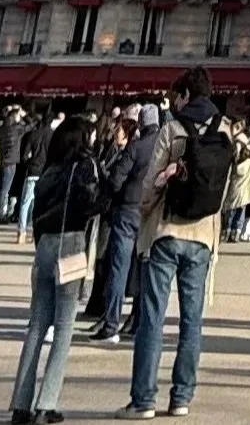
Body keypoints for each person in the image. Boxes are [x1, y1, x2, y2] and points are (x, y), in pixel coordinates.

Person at [126, 75, 230, 420]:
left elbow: (149, 185)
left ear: (185, 95)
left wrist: (144, 209)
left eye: (177, 96)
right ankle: (182, 397)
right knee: (191, 322)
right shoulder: (226, 130)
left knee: (152, 319)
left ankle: (143, 400)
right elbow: (225, 190)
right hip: (202, 236)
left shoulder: (172, 129)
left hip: (167, 230)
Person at [11, 115, 99, 425]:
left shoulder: (49, 169)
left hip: (45, 243)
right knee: (63, 327)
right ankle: (46, 403)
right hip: (71, 241)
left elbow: (37, 210)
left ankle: (20, 403)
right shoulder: (84, 166)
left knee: (36, 325)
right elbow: (87, 203)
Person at [92, 108, 161, 344]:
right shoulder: (164, 146)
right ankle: (138, 320)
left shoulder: (137, 146)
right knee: (144, 267)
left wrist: (111, 192)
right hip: (151, 211)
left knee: (118, 267)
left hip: (128, 208)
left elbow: (116, 178)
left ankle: (111, 322)